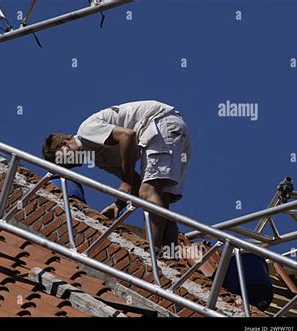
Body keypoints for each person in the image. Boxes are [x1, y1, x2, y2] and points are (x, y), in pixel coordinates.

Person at [42, 100, 192, 249]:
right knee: (160, 198)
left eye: (62, 159)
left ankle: (152, 253)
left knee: (149, 191)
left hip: (160, 123)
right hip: (171, 131)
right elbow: (134, 183)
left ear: (63, 144)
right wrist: (118, 205)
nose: (69, 165)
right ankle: (170, 259)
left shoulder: (85, 131)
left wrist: (125, 182)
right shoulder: (99, 158)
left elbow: (127, 135)